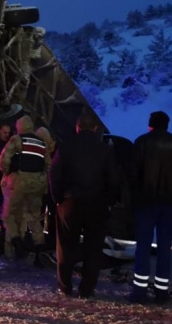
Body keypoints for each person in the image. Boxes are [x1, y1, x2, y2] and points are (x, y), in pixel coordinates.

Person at [50, 113, 120, 298]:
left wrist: (57, 199)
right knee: (93, 247)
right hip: (96, 204)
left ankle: (65, 287)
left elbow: (54, 175)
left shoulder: (65, 147)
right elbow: (114, 180)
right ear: (96, 128)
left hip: (69, 203)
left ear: (77, 127)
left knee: (65, 245)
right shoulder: (105, 150)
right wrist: (109, 202)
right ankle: (86, 289)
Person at [128, 112, 172, 304]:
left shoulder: (141, 142)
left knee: (143, 246)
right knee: (165, 247)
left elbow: (132, 174)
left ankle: (139, 291)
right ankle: (162, 292)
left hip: (146, 203)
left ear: (150, 125)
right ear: (167, 125)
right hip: (170, 204)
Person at [0, 116, 50, 259]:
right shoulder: (42, 143)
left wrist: (7, 172)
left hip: (19, 182)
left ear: (19, 127)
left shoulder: (17, 139)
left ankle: (16, 243)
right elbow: (48, 165)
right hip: (37, 183)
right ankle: (40, 250)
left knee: (8, 215)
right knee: (34, 217)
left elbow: (4, 160)